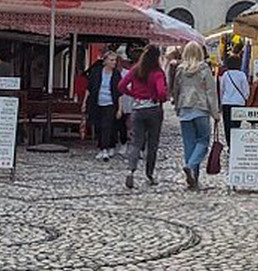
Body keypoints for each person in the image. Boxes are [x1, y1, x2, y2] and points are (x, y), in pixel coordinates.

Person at [170, 41, 219, 189]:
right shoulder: (204, 69)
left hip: (185, 109)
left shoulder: (180, 69)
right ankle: (191, 168)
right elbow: (211, 92)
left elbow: (175, 90)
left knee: (189, 145)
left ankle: (192, 176)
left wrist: (177, 107)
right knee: (203, 142)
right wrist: (215, 113)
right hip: (201, 108)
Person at [119, 44, 168, 189]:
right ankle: (149, 174)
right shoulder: (157, 72)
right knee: (152, 144)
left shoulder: (135, 70)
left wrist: (134, 95)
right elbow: (161, 92)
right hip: (153, 110)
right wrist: (160, 98)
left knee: (136, 142)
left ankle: (130, 171)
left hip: (137, 110)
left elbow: (121, 85)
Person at [83, 50, 123, 160]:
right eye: (111, 60)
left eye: (115, 60)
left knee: (107, 126)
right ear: (105, 61)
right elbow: (89, 88)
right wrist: (84, 103)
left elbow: (119, 93)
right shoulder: (96, 72)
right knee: (99, 126)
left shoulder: (116, 74)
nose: (114, 62)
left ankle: (105, 149)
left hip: (110, 103)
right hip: (96, 103)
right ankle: (101, 147)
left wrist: (120, 109)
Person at [218, 55, 250, 146]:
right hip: (239, 103)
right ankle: (235, 144)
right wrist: (245, 99)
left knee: (227, 125)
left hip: (227, 102)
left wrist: (221, 102)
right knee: (236, 125)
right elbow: (246, 90)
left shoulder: (225, 75)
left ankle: (229, 143)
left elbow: (222, 89)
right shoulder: (242, 75)